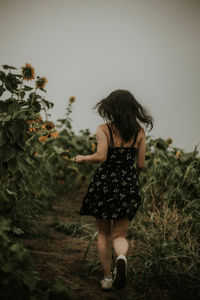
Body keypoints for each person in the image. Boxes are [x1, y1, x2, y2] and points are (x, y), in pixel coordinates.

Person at [74, 89, 153, 291]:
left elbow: (101, 156)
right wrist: (131, 178)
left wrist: (84, 158)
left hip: (105, 183)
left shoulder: (104, 129)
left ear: (111, 109)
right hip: (127, 183)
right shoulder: (140, 133)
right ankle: (121, 257)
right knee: (119, 235)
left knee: (103, 233)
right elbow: (141, 165)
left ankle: (108, 277)